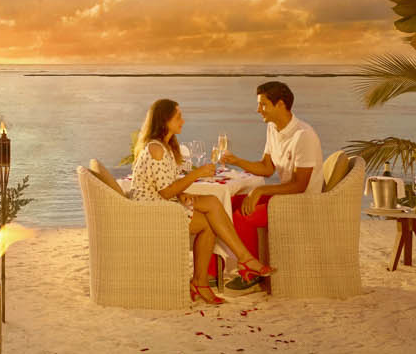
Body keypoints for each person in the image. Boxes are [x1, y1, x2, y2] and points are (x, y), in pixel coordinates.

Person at [128, 97, 274, 305]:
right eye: (178, 116)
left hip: (162, 203)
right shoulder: (156, 149)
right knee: (208, 225)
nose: (183, 121)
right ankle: (206, 279)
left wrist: (182, 193)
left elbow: (166, 184)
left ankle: (239, 261)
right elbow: (165, 192)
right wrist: (197, 174)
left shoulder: (164, 147)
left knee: (213, 202)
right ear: (164, 120)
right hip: (154, 211)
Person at [215, 80, 321, 294]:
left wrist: (261, 190)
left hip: (302, 202)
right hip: (286, 195)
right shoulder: (273, 129)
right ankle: (214, 273)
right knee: (227, 204)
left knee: (243, 215)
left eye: (263, 104)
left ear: (280, 104)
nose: (258, 109)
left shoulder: (304, 135)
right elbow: (266, 168)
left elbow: (301, 185)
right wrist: (236, 160)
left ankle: (251, 275)